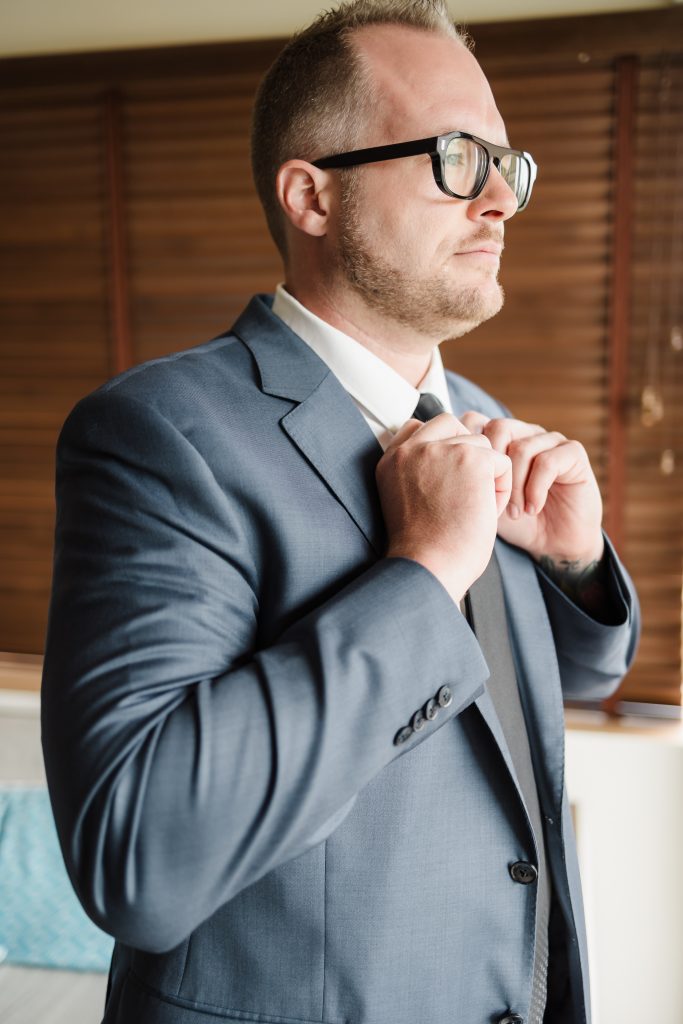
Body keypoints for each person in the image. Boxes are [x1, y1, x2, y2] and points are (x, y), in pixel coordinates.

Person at [41, 2, 640, 1023]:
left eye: (506, 163)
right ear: (312, 195)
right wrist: (423, 571)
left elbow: (551, 686)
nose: (501, 199)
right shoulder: (156, 433)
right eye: (457, 157)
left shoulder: (479, 417)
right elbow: (137, 856)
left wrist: (575, 569)